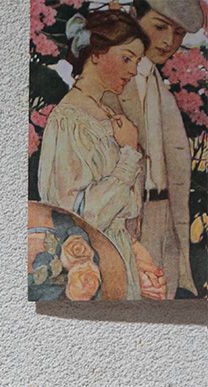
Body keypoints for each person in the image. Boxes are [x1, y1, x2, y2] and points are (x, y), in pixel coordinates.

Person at [39, 10, 166, 299]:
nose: (133, 71)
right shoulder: (69, 120)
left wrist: (139, 255)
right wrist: (129, 154)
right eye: (126, 58)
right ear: (96, 53)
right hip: (94, 261)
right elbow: (79, 215)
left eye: (137, 62)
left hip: (119, 254)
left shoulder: (107, 115)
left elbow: (121, 212)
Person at [116, 0, 205, 297]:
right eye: (159, 27)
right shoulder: (114, 81)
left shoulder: (157, 84)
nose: (168, 41)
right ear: (134, 17)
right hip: (127, 216)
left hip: (164, 212)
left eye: (178, 33)